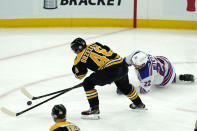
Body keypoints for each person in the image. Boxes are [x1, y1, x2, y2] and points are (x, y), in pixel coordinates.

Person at [70, 38, 146, 120]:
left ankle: (94, 109)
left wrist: (76, 69)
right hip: (122, 65)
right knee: (125, 87)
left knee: (87, 83)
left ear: (76, 49)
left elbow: (80, 75)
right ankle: (139, 104)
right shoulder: (95, 44)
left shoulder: (79, 58)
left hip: (110, 72)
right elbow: (107, 49)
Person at [117, 50, 194, 95]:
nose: (133, 65)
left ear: (143, 64)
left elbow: (144, 90)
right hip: (165, 62)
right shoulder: (137, 55)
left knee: (163, 80)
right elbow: (124, 62)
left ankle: (175, 78)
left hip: (166, 78)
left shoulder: (147, 74)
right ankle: (178, 77)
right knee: (160, 74)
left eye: (136, 65)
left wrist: (127, 89)